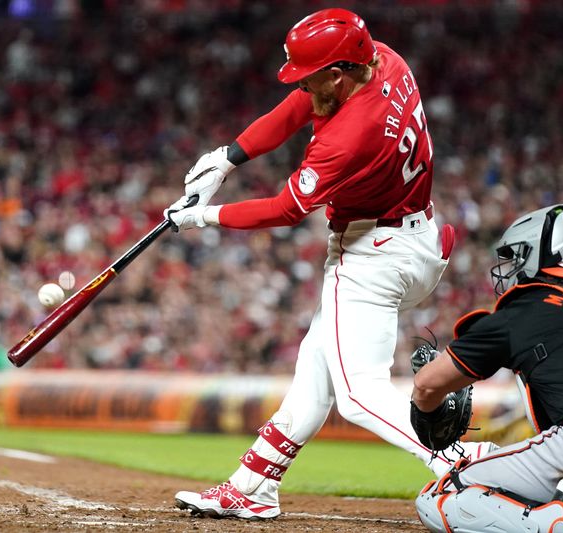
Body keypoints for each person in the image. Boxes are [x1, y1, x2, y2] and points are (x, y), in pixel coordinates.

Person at [167, 8, 494, 520]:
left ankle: (471, 464)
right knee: (315, 368)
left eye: (311, 73)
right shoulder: (384, 57)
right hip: (415, 238)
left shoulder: (349, 137)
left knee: (358, 394)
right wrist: (229, 158)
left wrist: (200, 217)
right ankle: (252, 485)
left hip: (371, 256)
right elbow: (300, 105)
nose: (301, 82)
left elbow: (284, 210)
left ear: (339, 74)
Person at [412, 203, 563, 532]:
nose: (513, 266)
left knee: (444, 494)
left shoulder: (526, 307)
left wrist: (429, 413)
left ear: (539, 252)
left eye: (518, 254)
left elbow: (427, 384)